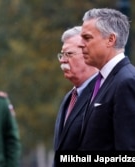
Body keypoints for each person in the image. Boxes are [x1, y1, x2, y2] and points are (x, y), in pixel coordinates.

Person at [79, 8, 135, 150]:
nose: (81, 44)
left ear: (111, 40)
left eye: (87, 38)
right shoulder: (102, 80)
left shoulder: (127, 83)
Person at [53, 26, 98, 159]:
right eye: (62, 55)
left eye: (69, 54)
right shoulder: (70, 98)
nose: (62, 60)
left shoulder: (104, 95)